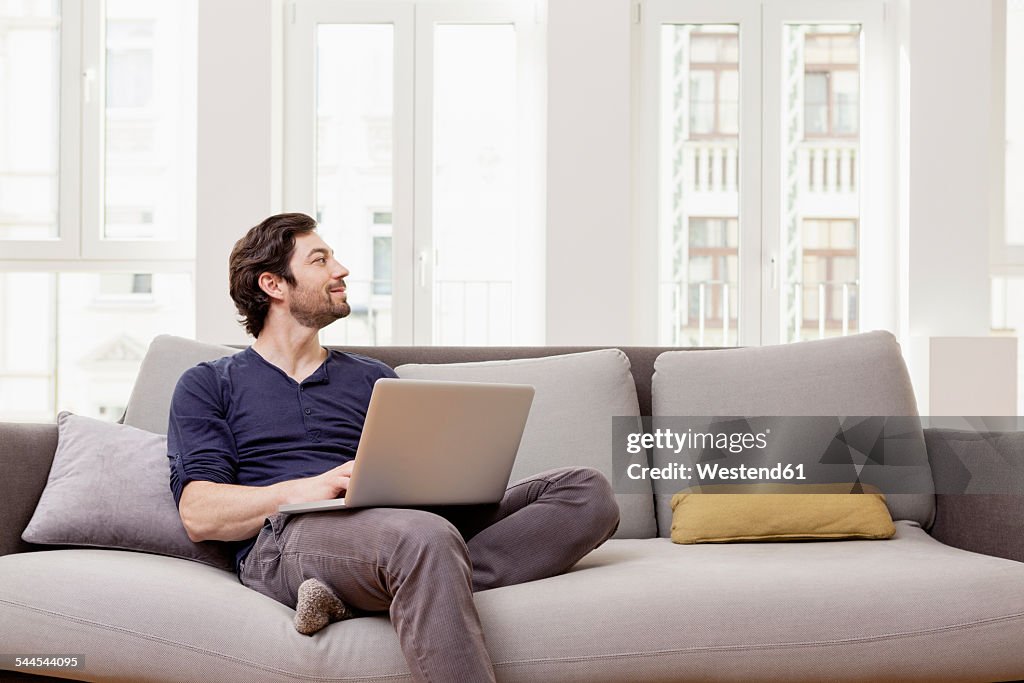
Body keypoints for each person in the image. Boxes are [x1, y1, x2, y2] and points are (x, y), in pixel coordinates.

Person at [167, 212, 620, 682]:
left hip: (398, 527)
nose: (341, 270)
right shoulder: (209, 384)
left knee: (586, 492)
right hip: (288, 539)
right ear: (273, 285)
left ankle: (393, 585)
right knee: (422, 539)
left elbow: (410, 473)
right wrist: (313, 488)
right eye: (320, 259)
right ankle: (416, 573)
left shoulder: (371, 377)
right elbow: (200, 514)